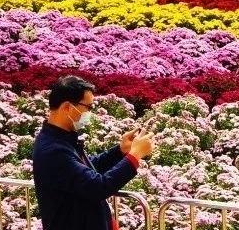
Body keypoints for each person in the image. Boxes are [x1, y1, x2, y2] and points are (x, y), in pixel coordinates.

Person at [32, 75, 154, 230]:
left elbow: (87, 169)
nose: (89, 113)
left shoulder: (62, 140)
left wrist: (120, 151)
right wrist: (135, 155)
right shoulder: (52, 150)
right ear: (67, 107)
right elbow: (98, 186)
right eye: (88, 107)